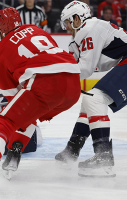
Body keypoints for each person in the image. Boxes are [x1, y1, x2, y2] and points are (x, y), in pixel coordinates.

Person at [0, 7, 81, 195]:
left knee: (5, 121)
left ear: (0, 29)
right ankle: (14, 153)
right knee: (30, 112)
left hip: (44, 84)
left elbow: (13, 97)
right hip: (73, 85)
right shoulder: (37, 29)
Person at [55, 0, 127, 177]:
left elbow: (84, 69)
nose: (66, 27)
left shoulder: (89, 28)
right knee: (89, 101)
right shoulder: (86, 31)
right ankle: (73, 149)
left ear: (77, 18)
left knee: (93, 98)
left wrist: (56, 80)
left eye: (67, 22)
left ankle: (103, 156)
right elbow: (74, 64)